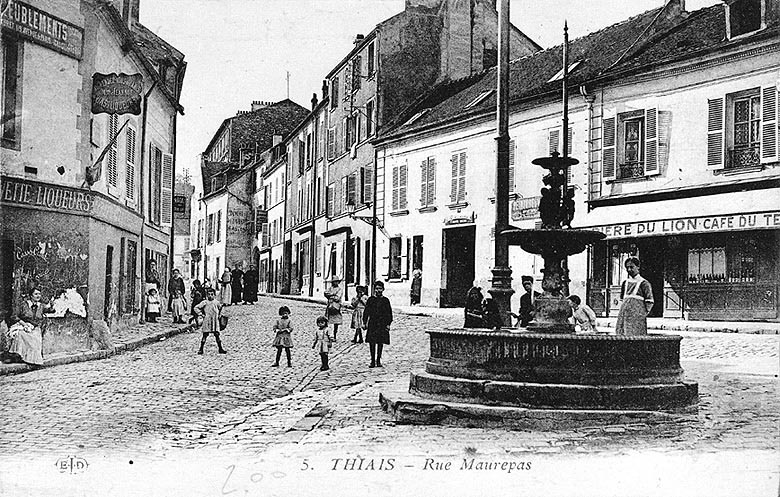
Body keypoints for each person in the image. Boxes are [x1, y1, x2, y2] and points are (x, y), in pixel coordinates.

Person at [6, 287, 53, 365]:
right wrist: (24, 324)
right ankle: (18, 356)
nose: (38, 296)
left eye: (39, 294)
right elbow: (14, 316)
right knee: (20, 334)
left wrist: (51, 306)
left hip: (35, 328)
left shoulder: (41, 306)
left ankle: (31, 359)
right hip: (23, 326)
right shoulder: (24, 305)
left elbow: (50, 311)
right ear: (31, 296)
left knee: (35, 340)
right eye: (36, 294)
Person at [616, 257, 654, 336]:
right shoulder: (625, 283)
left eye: (631, 267)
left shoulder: (644, 283)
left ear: (638, 267)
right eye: (627, 267)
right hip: (624, 315)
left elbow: (649, 302)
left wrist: (642, 314)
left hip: (637, 317)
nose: (629, 270)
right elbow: (622, 300)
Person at [363, 280, 392, 368]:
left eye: (380, 288)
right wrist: (364, 323)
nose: (378, 290)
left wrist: (388, 324)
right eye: (376, 288)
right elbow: (366, 312)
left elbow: (389, 313)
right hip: (373, 323)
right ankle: (372, 360)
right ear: (374, 289)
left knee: (380, 342)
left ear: (383, 289)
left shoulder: (385, 300)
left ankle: (378, 360)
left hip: (382, 324)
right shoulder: (371, 300)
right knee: (372, 342)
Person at [194, 287, 227, 354]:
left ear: (214, 295)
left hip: (215, 321)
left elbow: (221, 308)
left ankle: (220, 348)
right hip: (207, 320)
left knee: (217, 335)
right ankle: (201, 349)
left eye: (212, 294)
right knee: (205, 335)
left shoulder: (216, 302)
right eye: (209, 294)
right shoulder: (205, 302)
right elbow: (196, 308)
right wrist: (201, 314)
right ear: (206, 295)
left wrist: (220, 314)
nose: (210, 296)